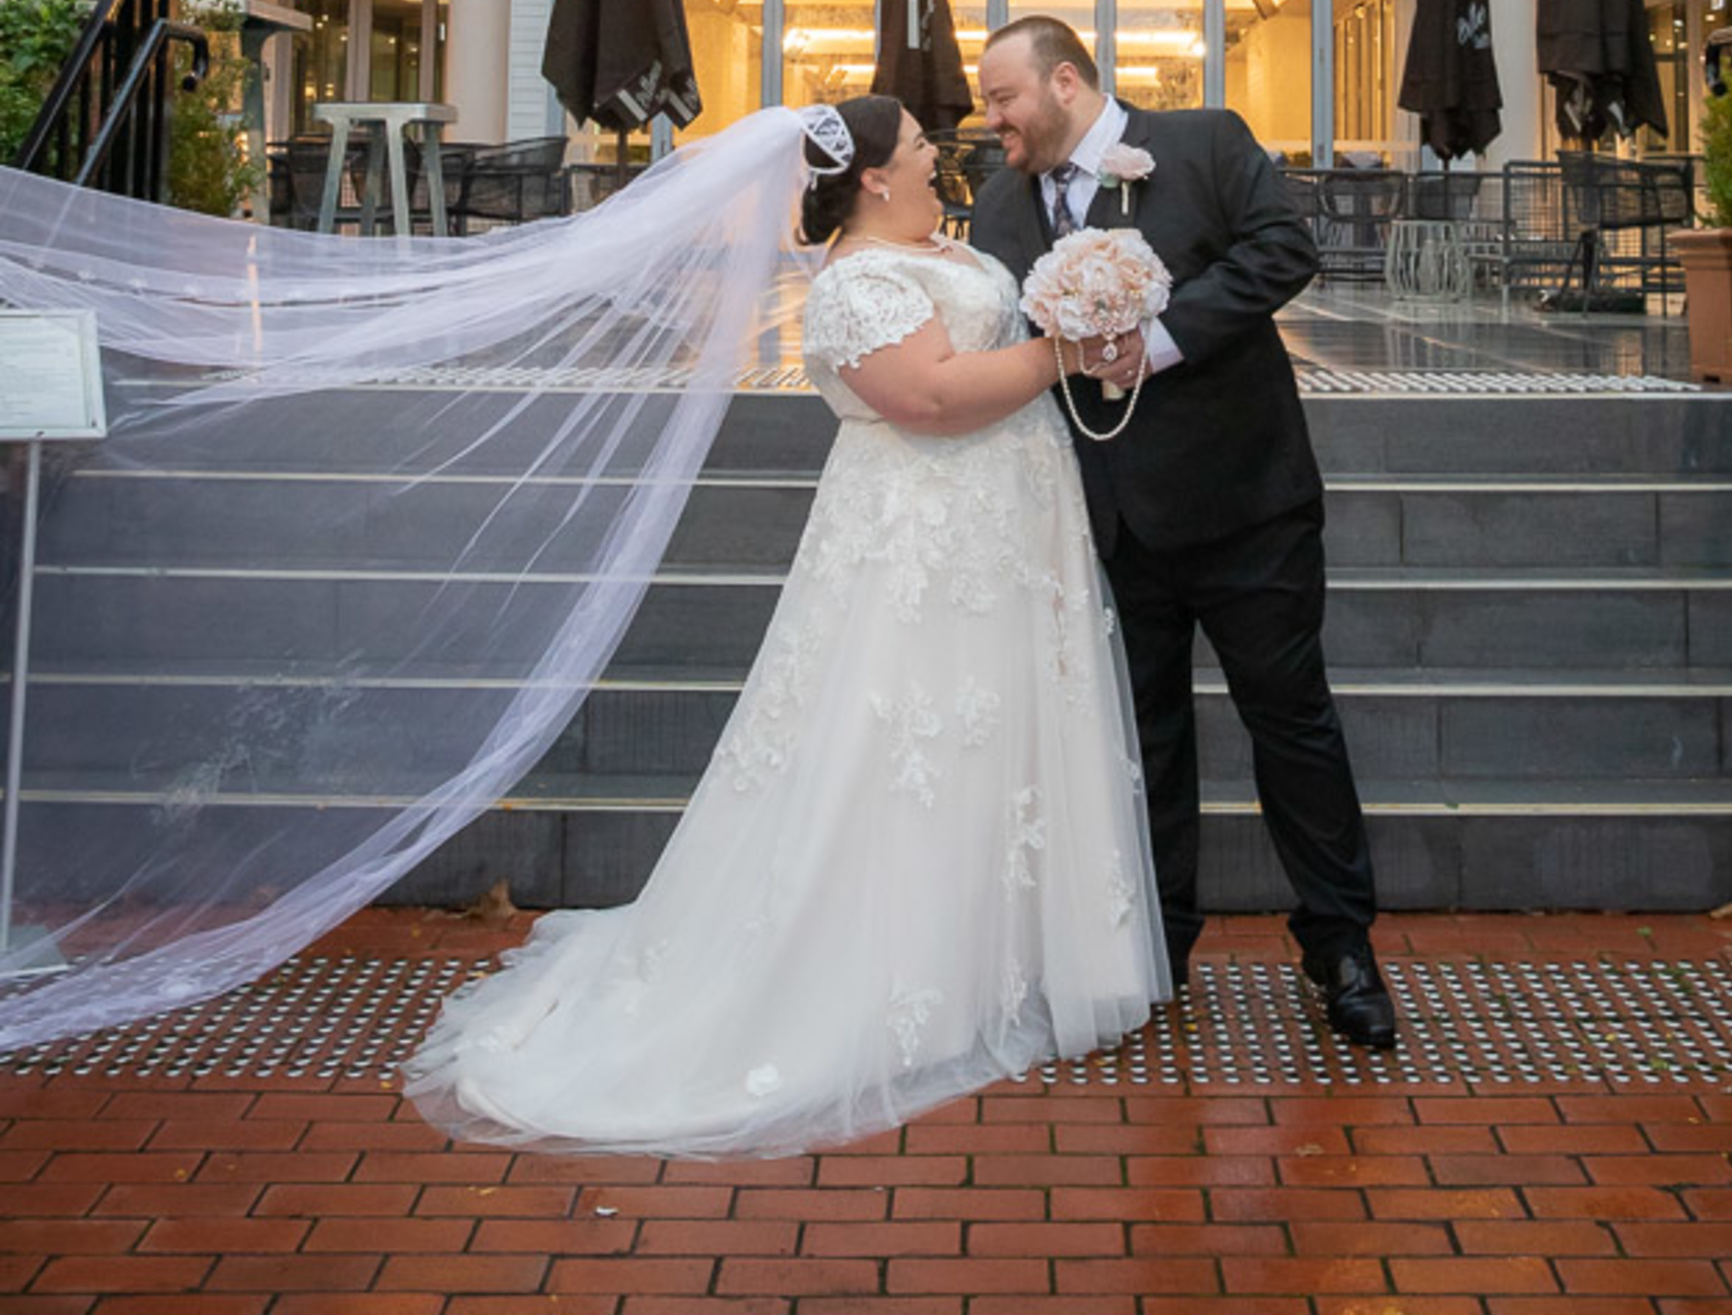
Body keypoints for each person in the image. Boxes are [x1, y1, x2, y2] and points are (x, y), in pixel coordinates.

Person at [404, 94, 1167, 1158]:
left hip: (1010, 527)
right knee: (906, 743)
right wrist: (1068, 353)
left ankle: (1005, 958)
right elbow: (932, 397)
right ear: (868, 177)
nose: (934, 159)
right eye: (914, 149)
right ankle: (904, 981)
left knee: (993, 735)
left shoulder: (944, 247)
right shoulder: (855, 282)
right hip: (923, 543)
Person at [971, 16, 1395, 1050]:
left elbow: (1284, 249)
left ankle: (1339, 945)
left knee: (1291, 726)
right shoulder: (994, 207)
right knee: (1142, 740)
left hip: (1248, 505)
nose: (991, 123)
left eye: (1002, 99)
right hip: (1106, 521)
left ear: (1064, 81)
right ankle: (1155, 946)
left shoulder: (1203, 143)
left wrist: (1156, 341)